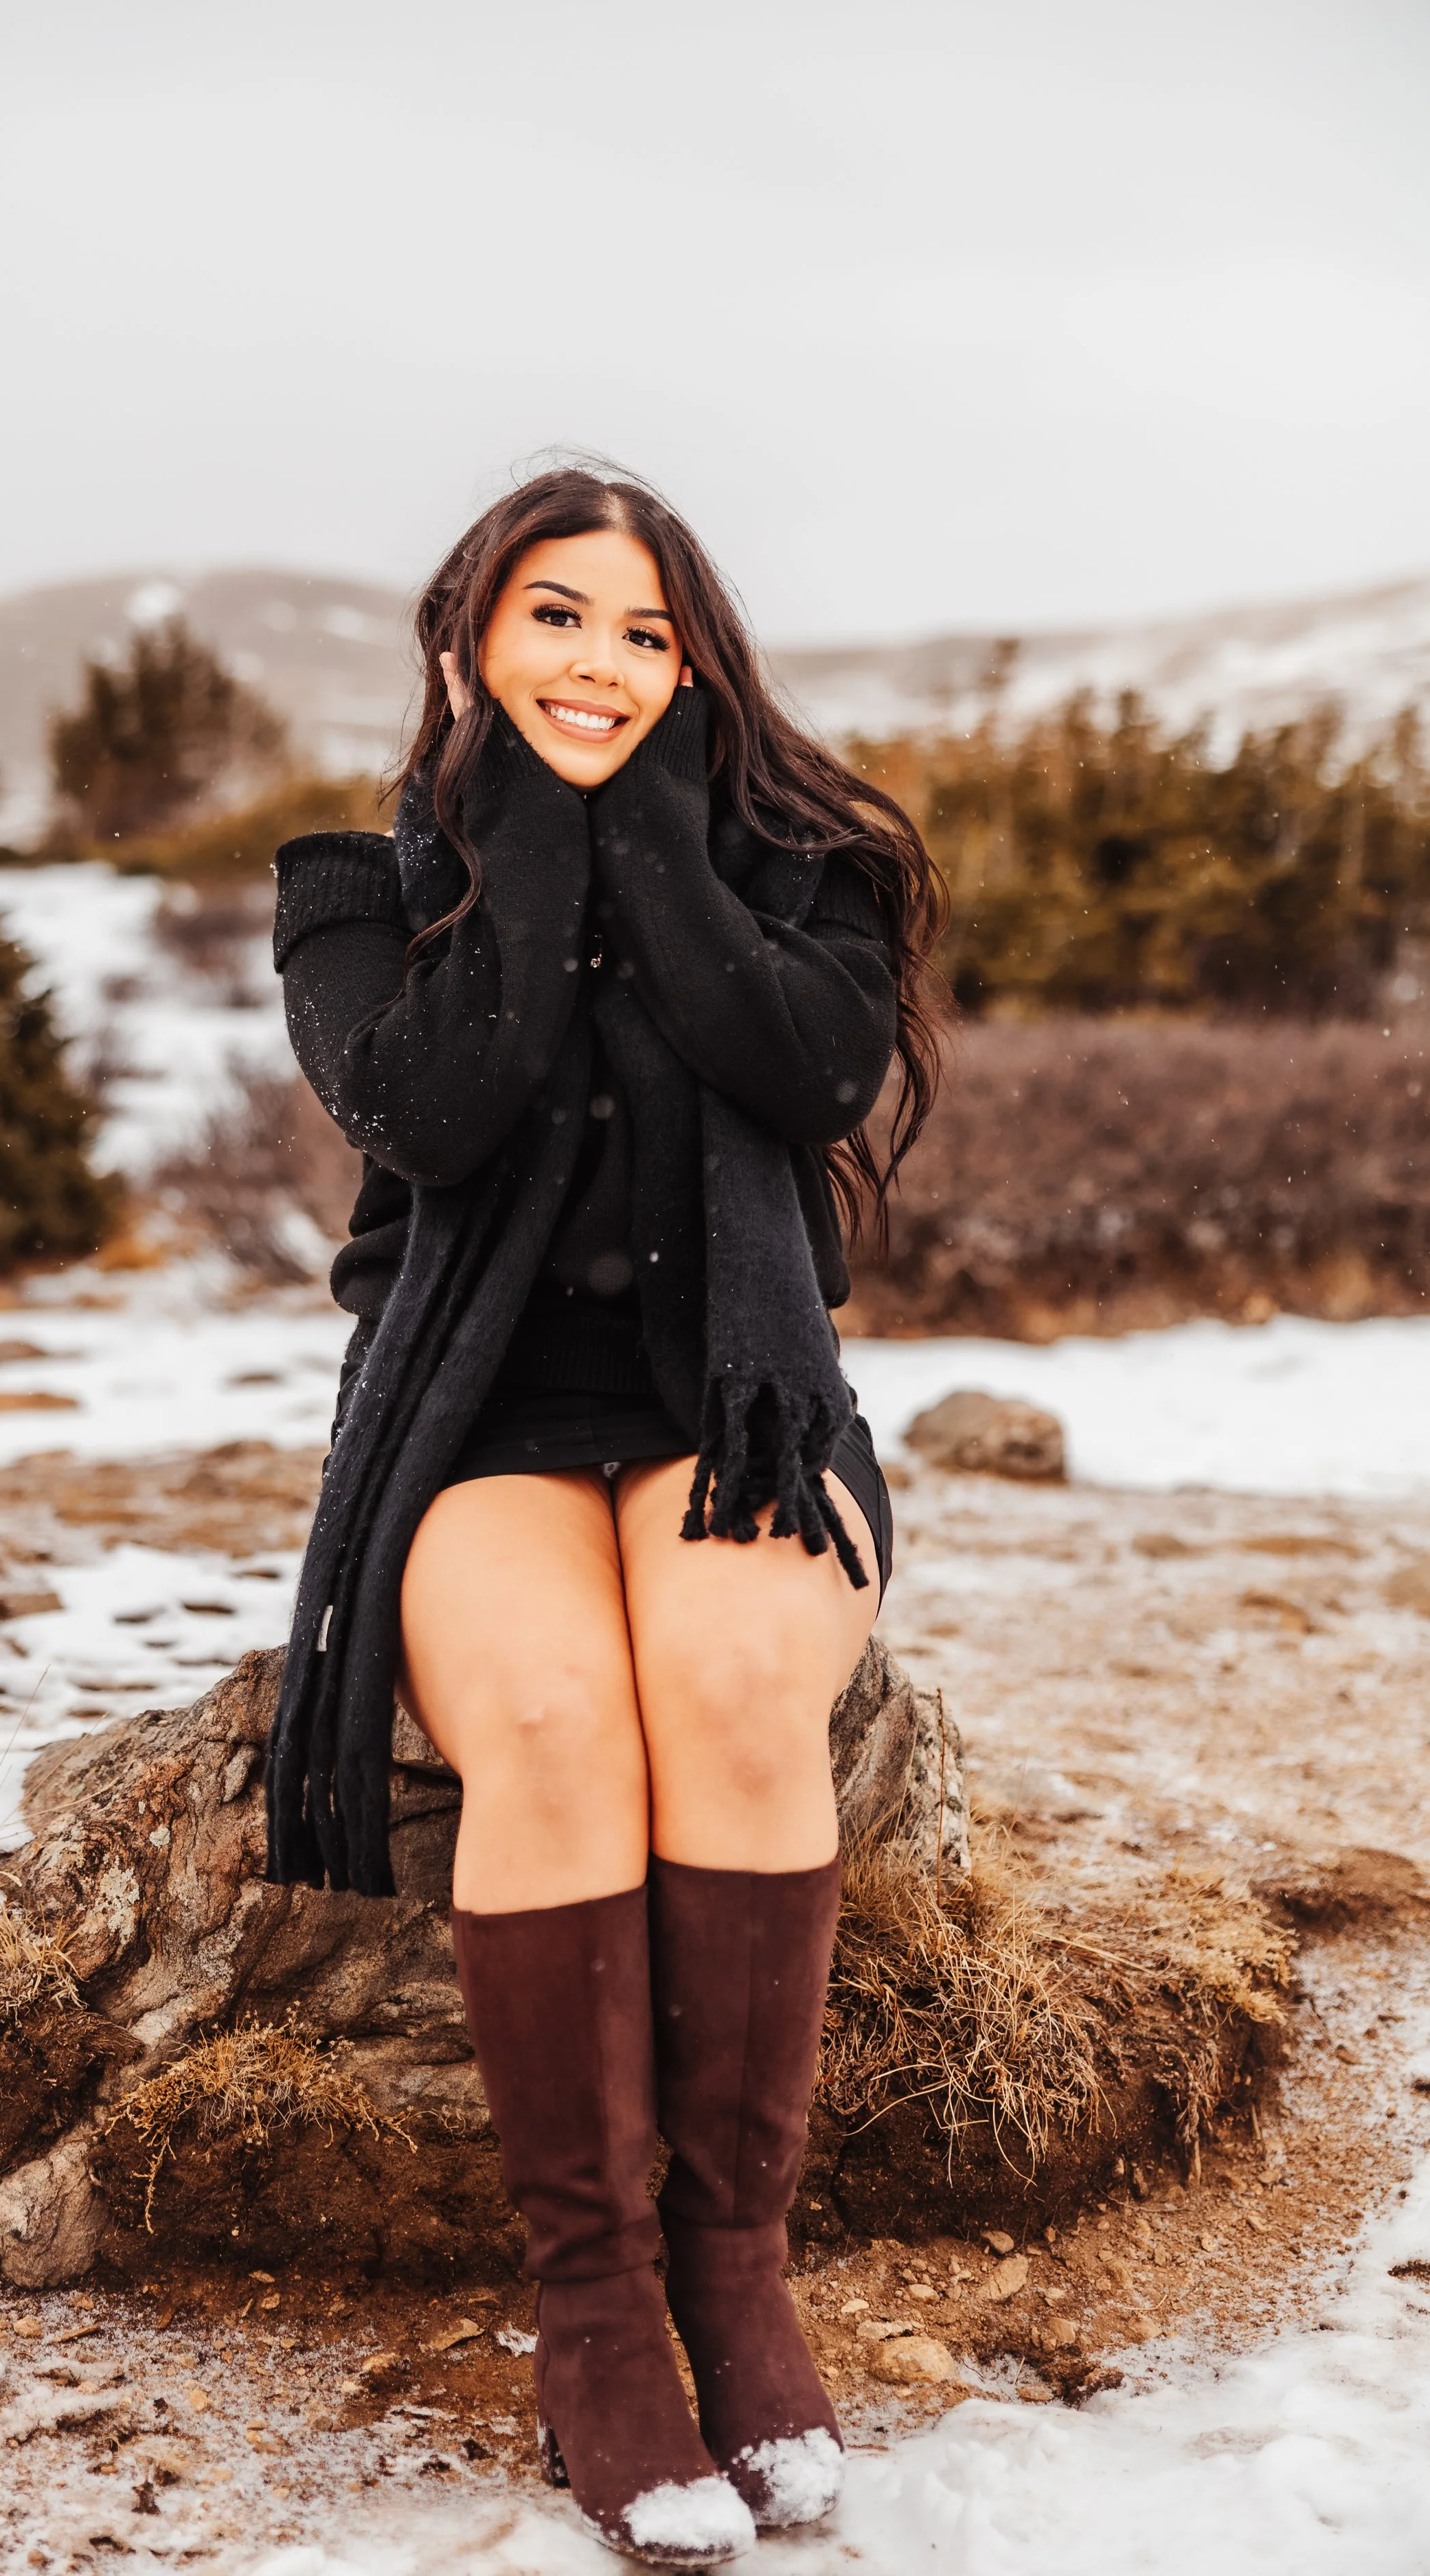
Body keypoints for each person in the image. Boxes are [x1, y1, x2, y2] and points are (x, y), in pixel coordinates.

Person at [265, 466, 944, 2567]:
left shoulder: (812, 875)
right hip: (473, 1423)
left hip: (730, 1405)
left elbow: (799, 1064)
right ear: (471, 632)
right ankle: (591, 2306)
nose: (600, 662)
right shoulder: (350, 892)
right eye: (558, 617)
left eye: (647, 633)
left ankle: (731, 2273)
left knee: (730, 1681)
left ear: (697, 660)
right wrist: (534, 831)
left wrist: (641, 816)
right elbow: (432, 1110)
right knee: (553, 1727)